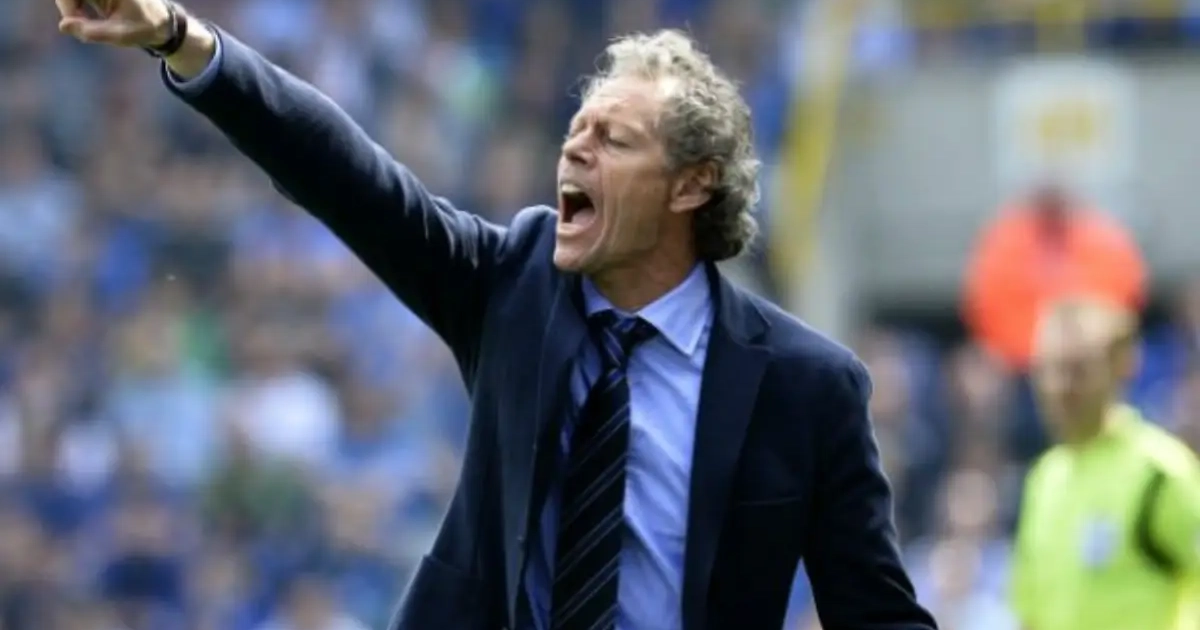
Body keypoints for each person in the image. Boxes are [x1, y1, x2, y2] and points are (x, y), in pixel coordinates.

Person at [54, 1, 936, 629]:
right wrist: (182, 38)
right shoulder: (511, 284)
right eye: (577, 129)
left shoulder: (809, 386)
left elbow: (875, 613)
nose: (575, 148)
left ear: (691, 185)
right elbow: (346, 177)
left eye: (614, 139)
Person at [1011, 296, 1200, 630]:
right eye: (1049, 370)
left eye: (1078, 371)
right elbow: (1030, 612)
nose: (1061, 387)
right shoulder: (1044, 478)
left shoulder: (1158, 473)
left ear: (1118, 367)